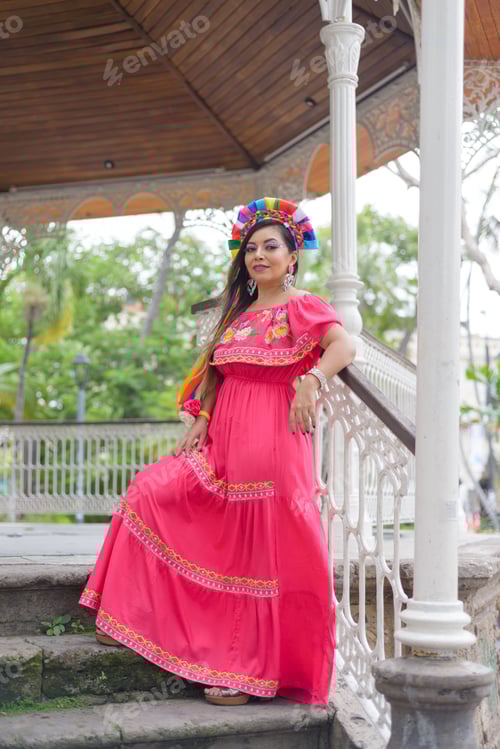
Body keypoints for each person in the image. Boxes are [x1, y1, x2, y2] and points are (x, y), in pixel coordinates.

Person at [80, 197, 355, 707]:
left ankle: (247, 671)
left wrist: (311, 381)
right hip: (223, 441)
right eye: (251, 248)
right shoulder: (239, 312)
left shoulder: (303, 304)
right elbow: (217, 373)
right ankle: (130, 614)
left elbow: (343, 346)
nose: (259, 256)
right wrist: (203, 416)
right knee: (149, 492)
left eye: (271, 246)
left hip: (275, 441)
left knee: (258, 554)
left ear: (292, 256)